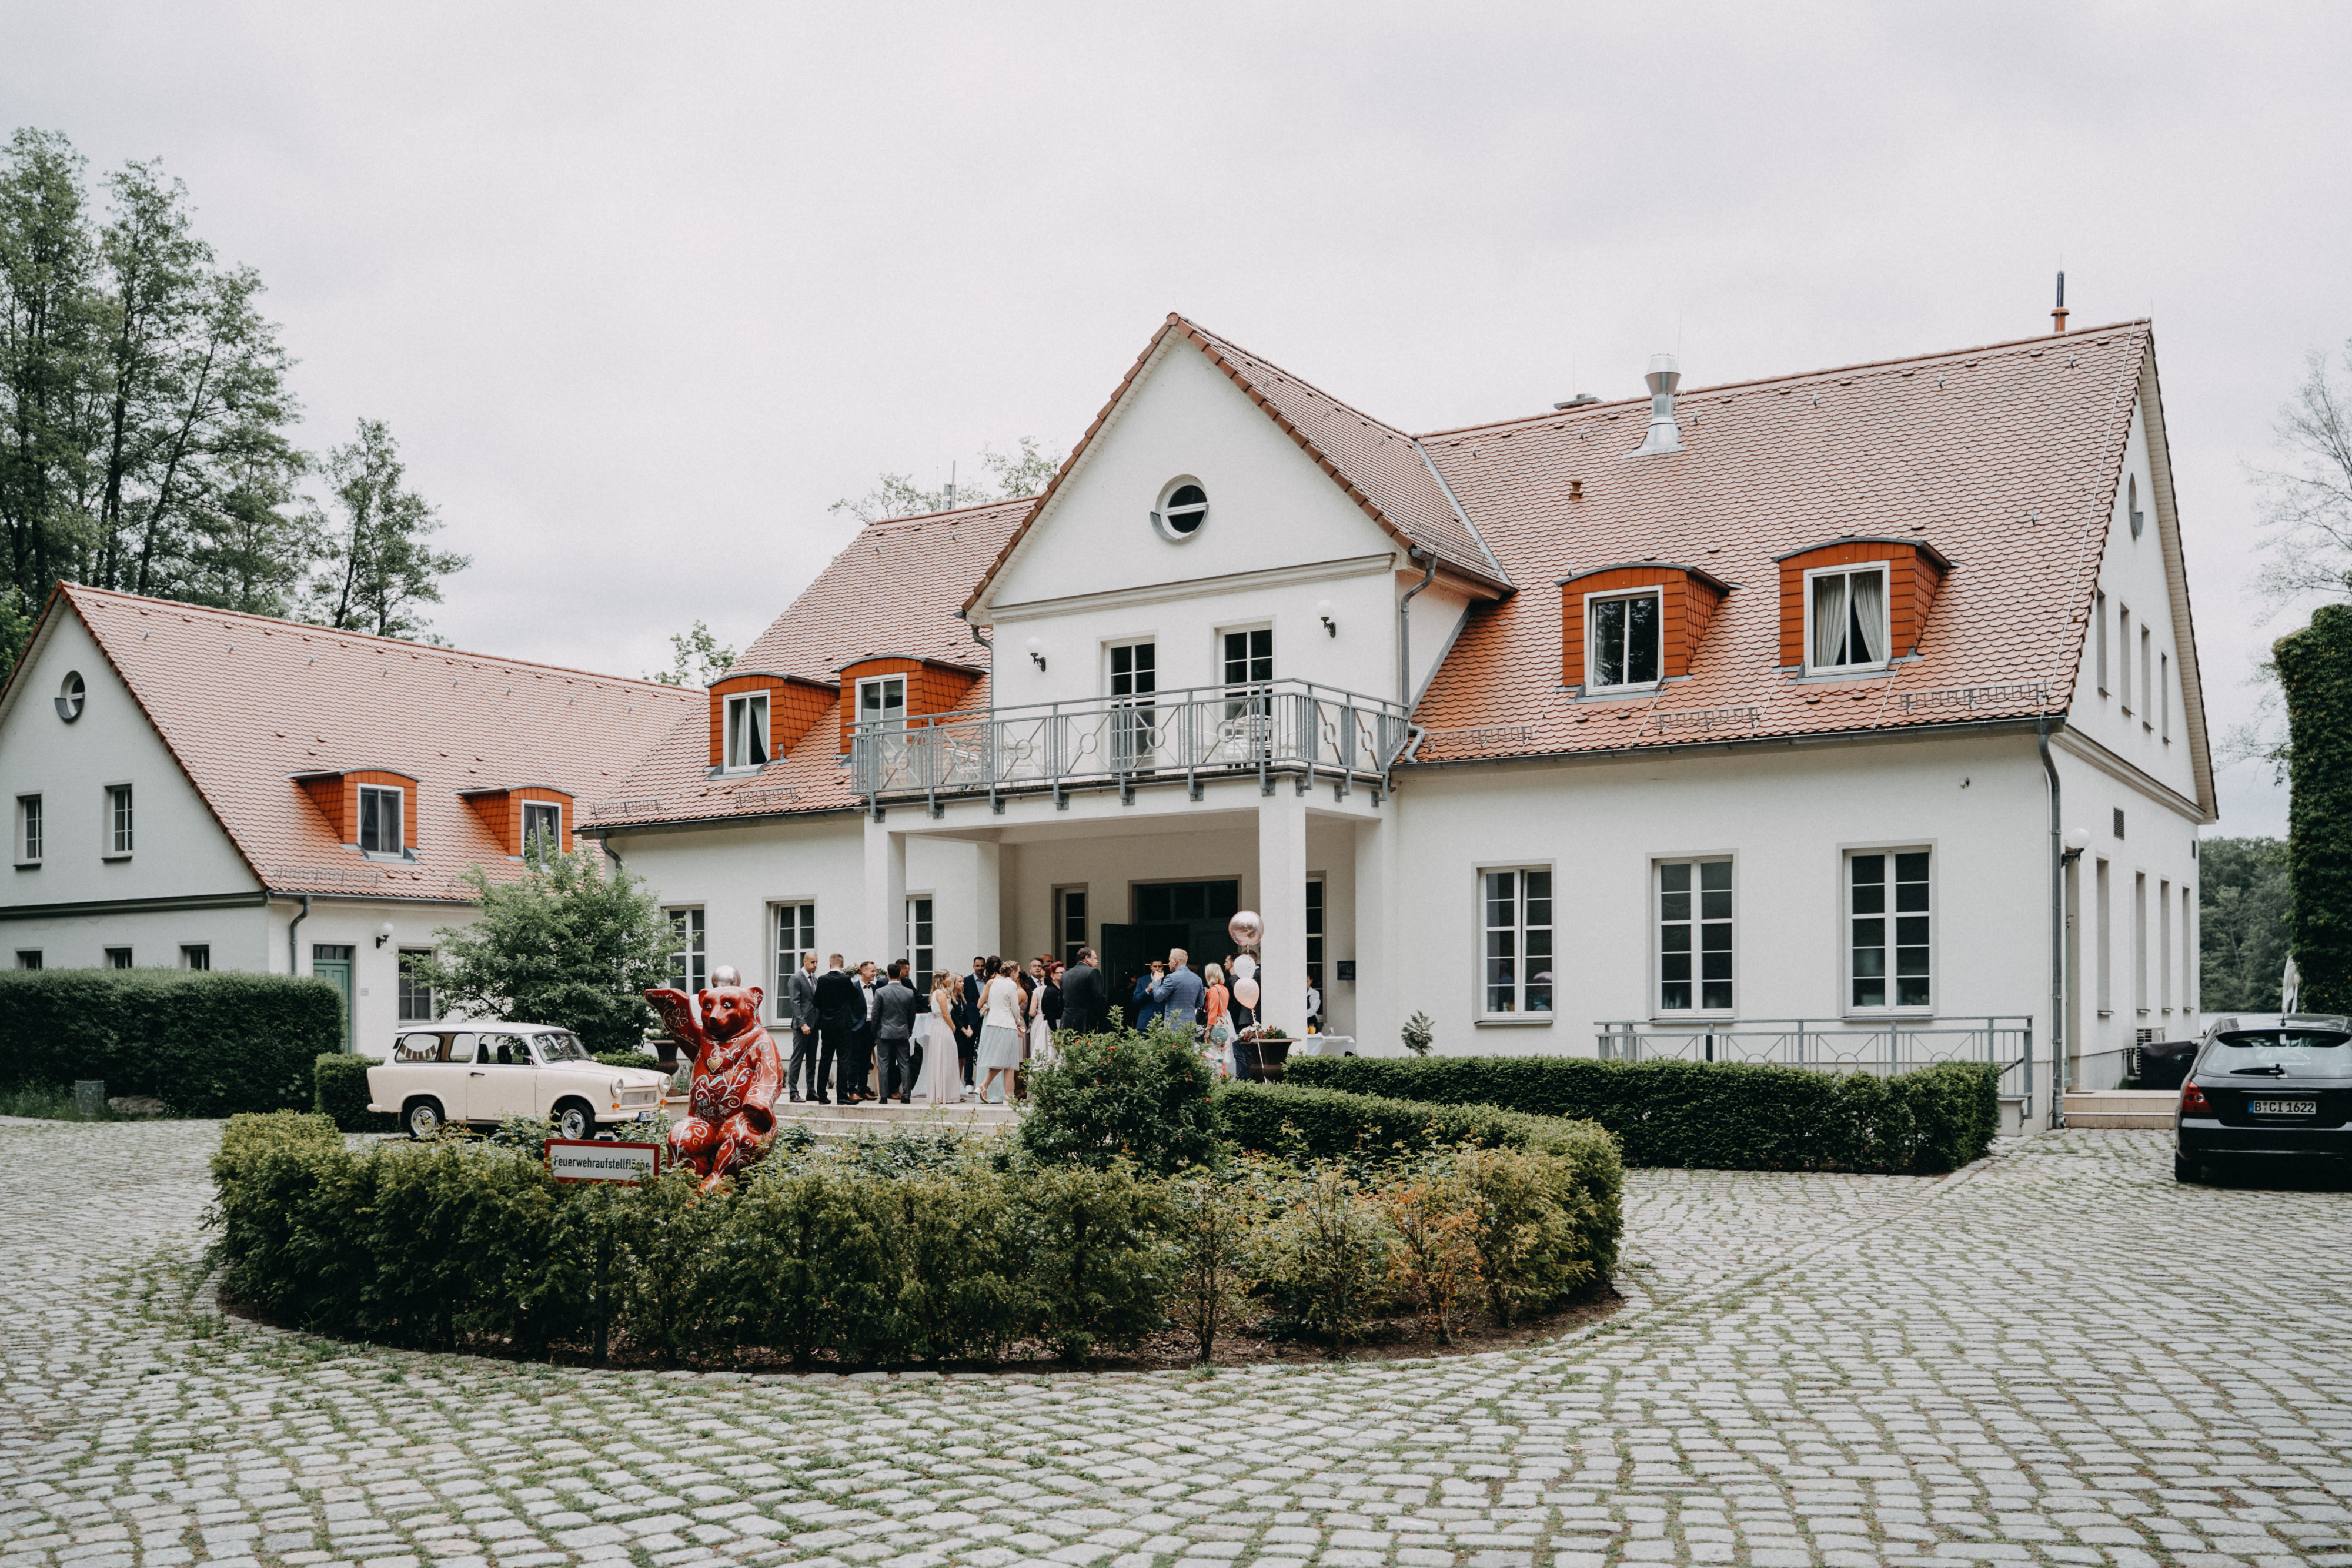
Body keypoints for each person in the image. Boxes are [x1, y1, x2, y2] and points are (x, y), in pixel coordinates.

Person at [974, 958, 1025, 1104]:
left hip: (992, 1023)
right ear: (1014, 972)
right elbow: (1015, 1007)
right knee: (1006, 1060)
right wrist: (1018, 1021)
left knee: (1007, 1061)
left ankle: (1007, 1096)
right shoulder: (1011, 985)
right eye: (1018, 971)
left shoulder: (994, 983)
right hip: (1006, 1024)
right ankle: (985, 1086)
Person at [811, 954, 860, 1106]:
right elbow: (856, 996)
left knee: (825, 1059)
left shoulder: (823, 979)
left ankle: (822, 1095)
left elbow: (816, 1001)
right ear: (842, 965)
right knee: (843, 1059)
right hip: (843, 1025)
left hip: (826, 1025)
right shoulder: (845, 980)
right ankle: (842, 1096)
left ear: (830, 964)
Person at [873, 960, 919, 1103]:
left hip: (885, 1033)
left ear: (888, 975)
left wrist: (875, 1032)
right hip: (902, 1032)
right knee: (904, 1064)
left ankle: (884, 1097)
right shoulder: (909, 992)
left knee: (884, 1065)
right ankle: (906, 1096)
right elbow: (912, 1016)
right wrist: (909, 1031)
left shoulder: (881, 992)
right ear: (900, 974)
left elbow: (876, 1015)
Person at [922, 969, 962, 1105]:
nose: (950, 980)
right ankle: (943, 1095)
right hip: (943, 1026)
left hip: (938, 1026)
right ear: (942, 979)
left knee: (943, 1058)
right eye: (948, 978)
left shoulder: (936, 993)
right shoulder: (941, 994)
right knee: (945, 1058)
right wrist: (953, 1027)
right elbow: (946, 1014)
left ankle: (944, 1093)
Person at [787, 952, 821, 1102]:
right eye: (812, 962)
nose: (815, 965)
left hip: (814, 1025)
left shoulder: (814, 979)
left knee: (812, 1060)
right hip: (802, 1026)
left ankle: (811, 1091)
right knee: (797, 1059)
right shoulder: (796, 978)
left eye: (816, 962)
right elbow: (795, 1003)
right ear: (805, 961)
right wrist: (803, 1023)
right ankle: (793, 1092)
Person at [1150, 948, 1205, 1039]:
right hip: (1190, 1025)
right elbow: (1200, 1003)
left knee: (1173, 1052)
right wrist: (1187, 1007)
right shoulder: (1197, 979)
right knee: (1189, 1052)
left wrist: (1156, 981)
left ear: (1175, 961)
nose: (1168, 964)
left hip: (1173, 1025)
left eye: (1169, 961)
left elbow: (1158, 997)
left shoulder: (1171, 978)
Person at [1060, 947, 1108, 1033]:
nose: (1097, 961)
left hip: (1067, 1020)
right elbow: (1099, 997)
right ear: (1087, 958)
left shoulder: (1065, 975)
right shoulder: (1093, 972)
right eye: (1095, 958)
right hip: (1086, 1020)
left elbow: (1060, 999)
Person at [1202, 963, 1232, 1079]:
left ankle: (1216, 1078)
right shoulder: (1224, 989)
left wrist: (1208, 1029)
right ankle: (1223, 1076)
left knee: (1213, 1054)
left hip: (1216, 1023)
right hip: (1224, 1022)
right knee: (1221, 1055)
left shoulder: (1214, 990)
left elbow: (1213, 1011)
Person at [1133, 965, 1162, 1031]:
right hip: (1145, 1021)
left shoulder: (1167, 980)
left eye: (1160, 966)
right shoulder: (1142, 980)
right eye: (1155, 966)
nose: (1157, 969)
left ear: (1163, 967)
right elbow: (1135, 999)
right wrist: (1147, 990)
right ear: (1151, 967)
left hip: (1162, 1021)